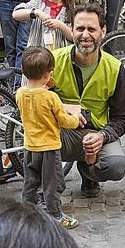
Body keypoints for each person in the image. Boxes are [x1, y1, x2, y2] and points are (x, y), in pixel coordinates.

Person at [50, 4, 125, 195]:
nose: (85, 35)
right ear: (71, 30)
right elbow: (31, 99)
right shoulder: (53, 61)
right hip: (61, 133)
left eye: (91, 29)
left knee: (116, 165)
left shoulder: (115, 68)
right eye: (79, 28)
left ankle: (89, 173)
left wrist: (102, 136)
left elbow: (121, 118)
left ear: (103, 31)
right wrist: (64, 106)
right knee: (35, 139)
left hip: (96, 133)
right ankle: (47, 185)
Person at [16, 45, 82, 229]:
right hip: (49, 148)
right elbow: (63, 121)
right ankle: (55, 215)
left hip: (29, 147)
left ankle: (26, 212)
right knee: (51, 184)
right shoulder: (50, 97)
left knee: (30, 182)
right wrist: (76, 119)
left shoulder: (20, 93)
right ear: (47, 74)